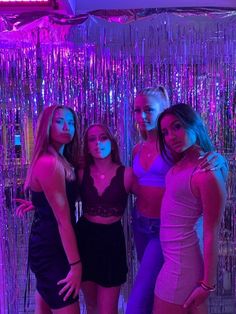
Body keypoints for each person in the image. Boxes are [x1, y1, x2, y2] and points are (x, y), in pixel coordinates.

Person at [126, 87, 228, 314]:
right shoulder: (139, 148)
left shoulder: (177, 152)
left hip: (167, 232)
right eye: (137, 110)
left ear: (163, 109)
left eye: (149, 109)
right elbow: (137, 185)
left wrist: (221, 160)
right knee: (156, 291)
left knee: (140, 301)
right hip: (142, 224)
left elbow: (202, 168)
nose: (142, 116)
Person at [153, 104, 226, 314]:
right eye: (165, 132)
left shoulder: (206, 171)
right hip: (174, 260)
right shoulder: (184, 163)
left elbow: (212, 232)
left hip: (182, 266)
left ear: (194, 124)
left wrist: (207, 285)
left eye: (177, 126)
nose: (170, 136)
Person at [20, 105, 82, 314]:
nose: (67, 127)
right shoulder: (50, 162)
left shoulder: (60, 157)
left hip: (49, 244)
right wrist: (75, 265)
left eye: (71, 123)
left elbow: (57, 198)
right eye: (59, 122)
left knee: (45, 306)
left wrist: (39, 203)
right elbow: (63, 221)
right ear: (47, 125)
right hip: (52, 249)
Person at [76, 123, 136, 314]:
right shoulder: (80, 173)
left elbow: (153, 197)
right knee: (91, 305)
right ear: (86, 145)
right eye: (91, 139)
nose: (97, 143)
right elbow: (59, 198)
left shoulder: (127, 174)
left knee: (108, 310)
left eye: (103, 137)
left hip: (112, 242)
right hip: (85, 239)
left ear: (112, 141)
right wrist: (37, 204)